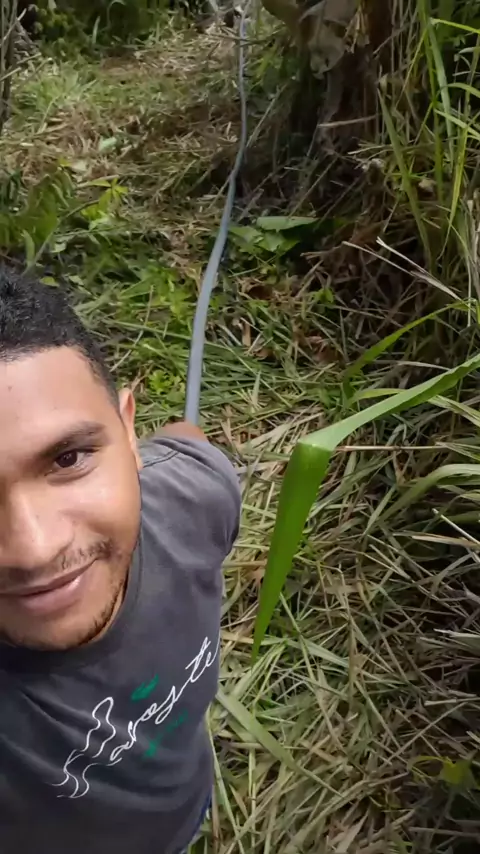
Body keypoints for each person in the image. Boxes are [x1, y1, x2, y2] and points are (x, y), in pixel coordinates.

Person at [0, 266, 241, 854]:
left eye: (68, 459)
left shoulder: (195, 495)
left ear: (130, 434)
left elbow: (190, 444)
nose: (34, 547)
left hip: (186, 808)